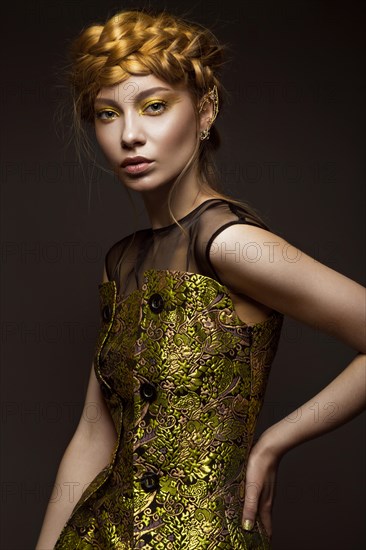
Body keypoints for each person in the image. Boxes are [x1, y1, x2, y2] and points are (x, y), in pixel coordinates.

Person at [36, 8, 366, 550]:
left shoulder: (230, 243)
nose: (130, 135)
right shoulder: (120, 261)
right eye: (106, 114)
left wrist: (273, 443)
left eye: (155, 106)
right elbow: (96, 431)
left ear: (205, 110)